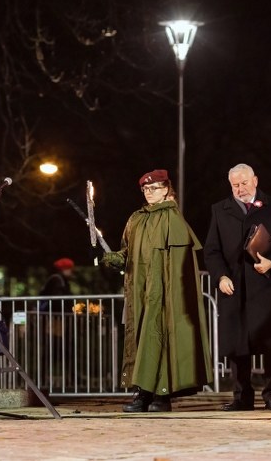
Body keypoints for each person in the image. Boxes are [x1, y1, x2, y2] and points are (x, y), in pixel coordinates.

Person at [102, 169, 212, 413]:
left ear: (166, 189)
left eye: (154, 188)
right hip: (139, 291)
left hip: (164, 293)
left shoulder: (173, 218)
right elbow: (128, 252)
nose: (149, 192)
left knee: (162, 338)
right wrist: (115, 259)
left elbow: (180, 264)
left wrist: (170, 295)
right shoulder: (136, 219)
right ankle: (142, 393)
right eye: (145, 189)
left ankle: (162, 396)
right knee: (142, 338)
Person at [203, 163, 271, 411]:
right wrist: (221, 277)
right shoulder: (220, 210)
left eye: (244, 183)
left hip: (265, 285)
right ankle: (241, 396)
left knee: (270, 343)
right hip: (233, 285)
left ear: (255, 180)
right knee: (237, 344)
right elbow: (211, 250)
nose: (240, 188)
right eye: (235, 185)